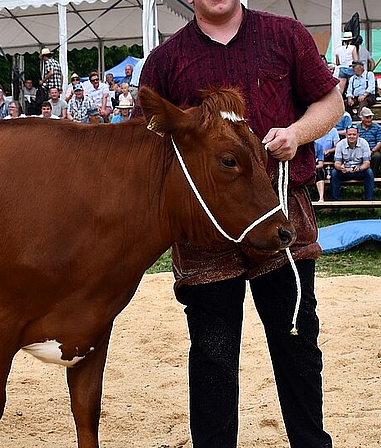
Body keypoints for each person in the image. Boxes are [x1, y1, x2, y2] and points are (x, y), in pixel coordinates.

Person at [138, 1, 343, 447]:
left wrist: (298, 133)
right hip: (204, 227)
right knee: (213, 356)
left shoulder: (285, 35)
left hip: (279, 209)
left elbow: (331, 101)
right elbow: (147, 144)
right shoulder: (164, 62)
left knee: (296, 344)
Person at [330, 125, 374, 200]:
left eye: (354, 134)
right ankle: (335, 202)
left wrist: (360, 168)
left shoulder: (364, 143)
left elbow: (367, 163)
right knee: (334, 173)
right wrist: (340, 168)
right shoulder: (340, 144)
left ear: (358, 135)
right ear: (346, 135)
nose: (351, 136)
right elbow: (337, 163)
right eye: (349, 134)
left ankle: (369, 202)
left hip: (359, 171)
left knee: (369, 173)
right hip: (345, 171)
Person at [356, 107, 381, 177]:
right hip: (359, 150)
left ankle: (373, 176)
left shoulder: (377, 127)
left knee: (376, 156)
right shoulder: (356, 128)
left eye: (370, 117)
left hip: (373, 150)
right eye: (367, 117)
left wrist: (372, 150)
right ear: (362, 118)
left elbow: (380, 143)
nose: (369, 119)